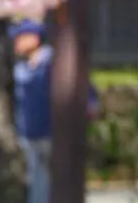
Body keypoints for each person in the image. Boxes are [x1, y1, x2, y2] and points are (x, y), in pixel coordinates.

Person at [10, 20, 100, 203]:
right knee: (37, 180)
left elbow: (82, 88)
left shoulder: (53, 62)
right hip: (30, 135)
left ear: (34, 38)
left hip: (54, 133)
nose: (15, 43)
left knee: (56, 180)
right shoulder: (21, 69)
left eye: (20, 37)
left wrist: (90, 106)